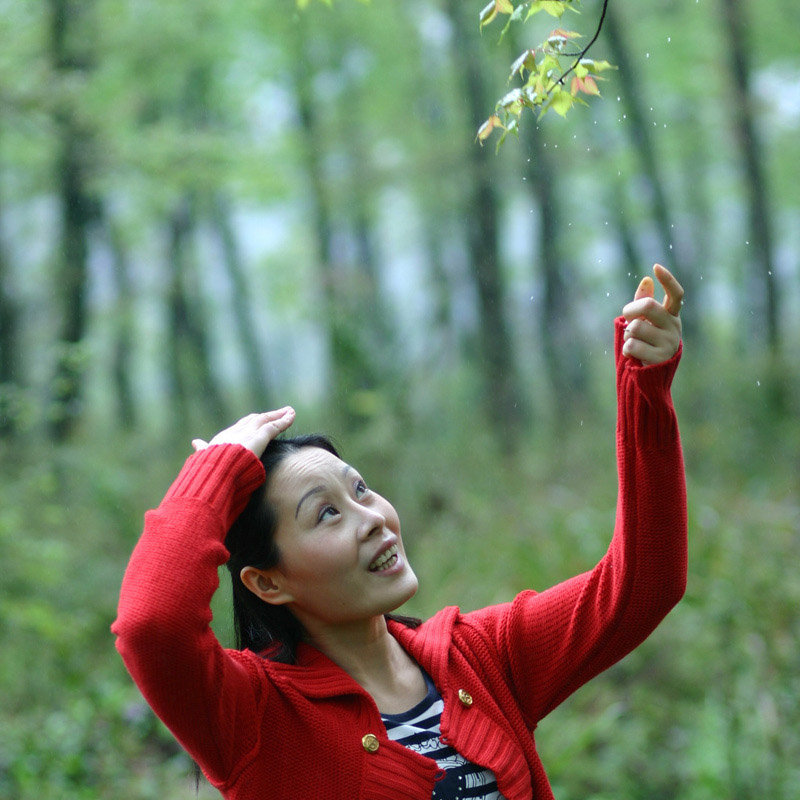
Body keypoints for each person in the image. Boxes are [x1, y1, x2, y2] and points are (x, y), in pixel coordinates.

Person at [112, 264, 686, 800]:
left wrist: (645, 390)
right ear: (267, 583)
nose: (372, 518)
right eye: (327, 514)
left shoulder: (481, 658)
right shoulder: (254, 718)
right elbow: (152, 625)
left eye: (359, 489)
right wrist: (217, 470)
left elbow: (643, 582)